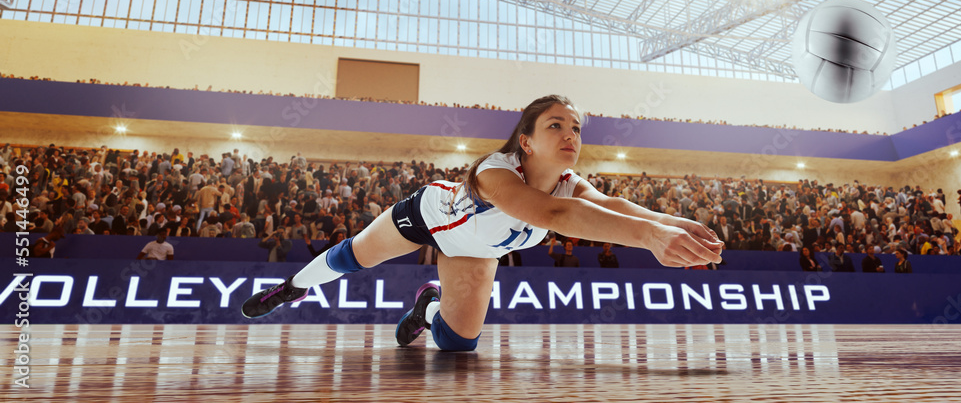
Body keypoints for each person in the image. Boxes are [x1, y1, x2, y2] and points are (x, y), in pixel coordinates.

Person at [239, 95, 723, 352]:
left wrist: (672, 220)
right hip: (427, 216)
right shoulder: (497, 168)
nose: (570, 133)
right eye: (555, 124)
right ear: (527, 142)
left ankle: (426, 307)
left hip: (474, 252)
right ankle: (293, 288)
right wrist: (651, 237)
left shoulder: (573, 182)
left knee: (457, 345)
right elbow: (551, 215)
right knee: (354, 256)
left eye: (575, 127)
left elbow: (615, 206)